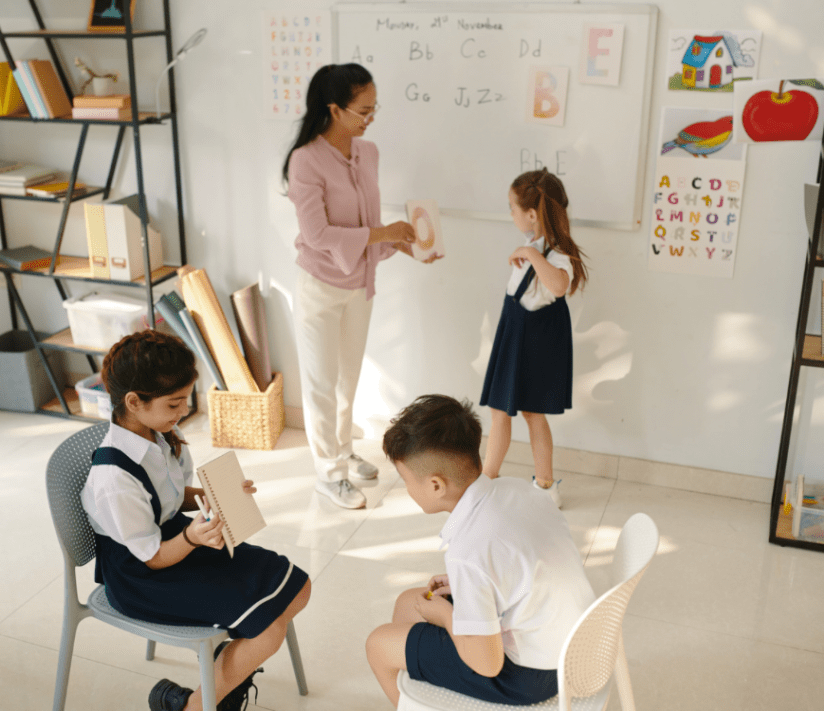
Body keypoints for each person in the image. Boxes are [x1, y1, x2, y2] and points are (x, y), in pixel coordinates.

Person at [79, 331, 311, 711]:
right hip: (142, 577)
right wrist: (191, 537)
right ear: (134, 402)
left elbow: (168, 496)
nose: (183, 410)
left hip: (175, 542)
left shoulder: (160, 433)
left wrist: (217, 495)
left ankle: (212, 690)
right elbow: (150, 557)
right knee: (268, 630)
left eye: (184, 399)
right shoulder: (113, 480)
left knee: (298, 587)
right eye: (174, 403)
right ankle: (195, 705)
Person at [365, 395, 595, 707]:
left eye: (406, 480)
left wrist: (446, 615)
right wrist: (465, 591)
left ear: (435, 485)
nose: (406, 488)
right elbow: (510, 565)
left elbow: (487, 665)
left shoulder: (469, 551)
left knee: (378, 644)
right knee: (408, 603)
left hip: (528, 676)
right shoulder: (519, 490)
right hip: (572, 645)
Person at [283, 62, 439, 511]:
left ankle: (343, 450)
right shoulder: (305, 160)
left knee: (348, 379)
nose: (370, 118)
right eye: (363, 110)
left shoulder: (366, 153)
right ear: (334, 109)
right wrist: (384, 234)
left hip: (359, 284)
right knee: (320, 383)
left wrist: (408, 245)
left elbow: (369, 226)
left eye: (374, 108)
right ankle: (328, 474)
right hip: (319, 287)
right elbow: (318, 235)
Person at [479, 169, 588, 508]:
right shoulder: (532, 247)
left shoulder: (556, 253)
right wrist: (529, 252)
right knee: (500, 410)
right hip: (513, 332)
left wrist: (532, 256)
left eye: (513, 207)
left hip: (537, 339)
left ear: (531, 214)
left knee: (532, 413)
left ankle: (544, 484)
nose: (510, 213)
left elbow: (558, 287)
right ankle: (487, 478)